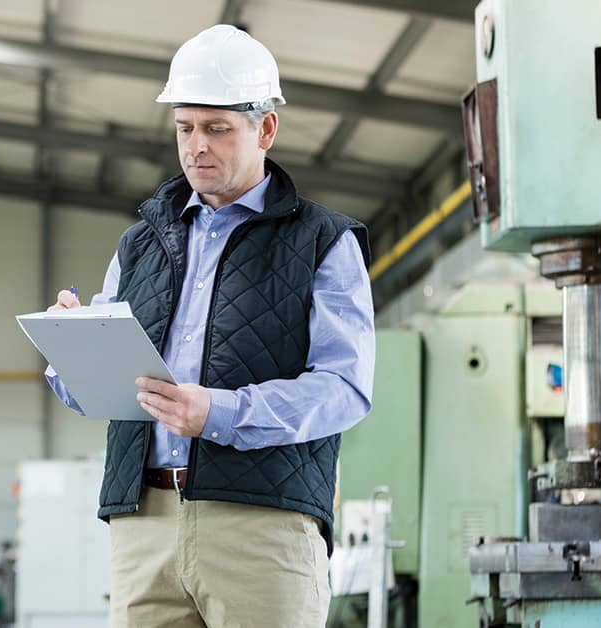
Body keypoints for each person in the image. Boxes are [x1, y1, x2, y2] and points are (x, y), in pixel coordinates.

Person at [46, 24, 376, 627]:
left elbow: (345, 389)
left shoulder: (323, 241)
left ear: (265, 129)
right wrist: (72, 349)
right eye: (185, 128)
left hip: (262, 527)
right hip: (143, 520)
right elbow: (94, 394)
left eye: (217, 128)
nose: (196, 146)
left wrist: (220, 413)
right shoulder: (140, 243)